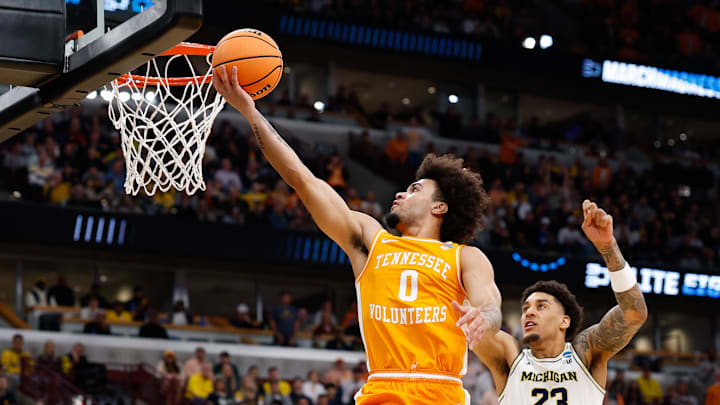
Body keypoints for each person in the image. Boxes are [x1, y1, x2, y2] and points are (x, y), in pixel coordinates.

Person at [214, 68, 502, 404]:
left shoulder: (464, 256)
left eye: (414, 189)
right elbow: (305, 183)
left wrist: (484, 318)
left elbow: (491, 306)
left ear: (440, 207)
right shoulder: (371, 239)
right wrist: (251, 113)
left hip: (440, 390)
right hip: (382, 389)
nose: (400, 194)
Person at [472, 200, 648, 405]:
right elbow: (465, 319)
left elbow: (635, 313)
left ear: (564, 321)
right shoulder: (508, 354)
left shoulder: (585, 351)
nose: (528, 313)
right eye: (525, 308)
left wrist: (609, 247)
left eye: (541, 306)